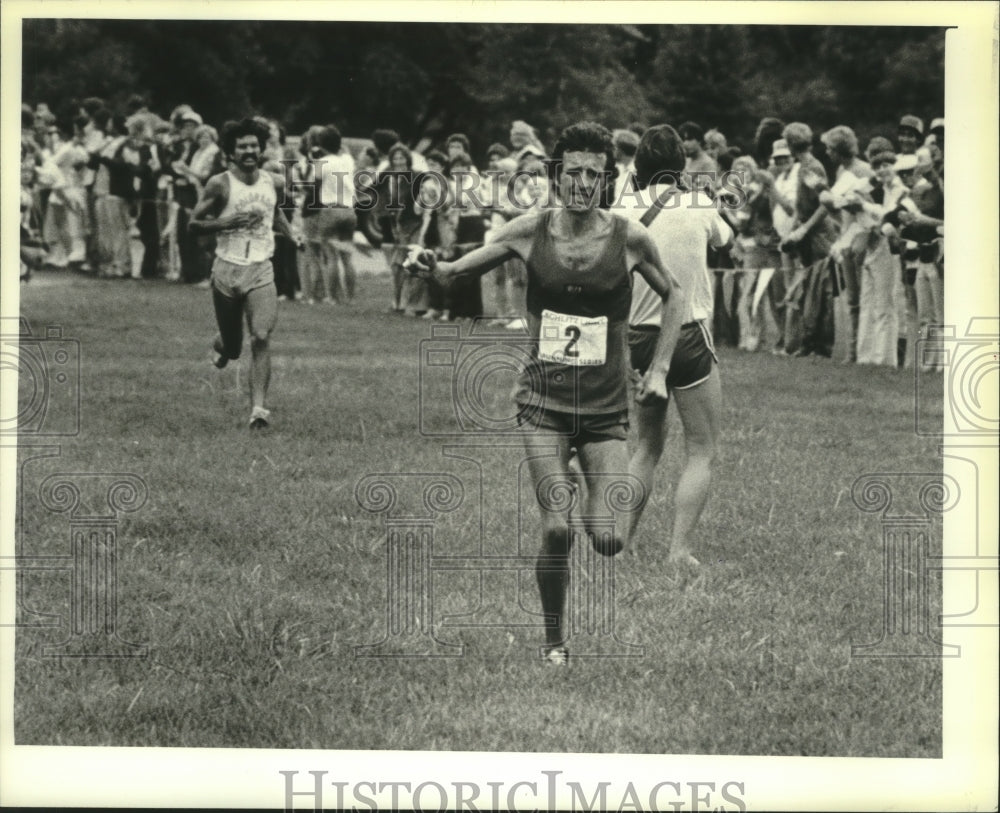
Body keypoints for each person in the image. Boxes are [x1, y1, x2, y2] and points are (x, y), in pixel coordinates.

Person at [408, 121, 683, 665]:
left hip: (605, 410)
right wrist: (429, 265)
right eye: (573, 172)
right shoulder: (528, 230)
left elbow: (674, 296)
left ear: (606, 178)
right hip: (543, 404)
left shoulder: (629, 237)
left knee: (608, 540)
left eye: (594, 173)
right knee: (556, 528)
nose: (582, 182)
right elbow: (453, 273)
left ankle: (584, 483)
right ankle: (555, 643)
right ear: (558, 175)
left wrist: (659, 370)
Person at [620, 124, 732, 566]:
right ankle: (678, 550)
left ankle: (622, 543)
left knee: (646, 446)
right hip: (687, 331)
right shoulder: (698, 202)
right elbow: (726, 239)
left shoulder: (622, 207)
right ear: (680, 166)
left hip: (639, 336)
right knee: (701, 448)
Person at [189, 117, 302, 430]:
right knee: (233, 346)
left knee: (261, 336)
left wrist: (291, 234)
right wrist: (228, 222)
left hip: (261, 269)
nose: (250, 151)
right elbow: (194, 224)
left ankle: (258, 411)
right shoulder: (220, 184)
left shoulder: (274, 181)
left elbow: (274, 212)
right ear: (231, 151)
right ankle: (223, 346)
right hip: (227, 268)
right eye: (243, 147)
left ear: (262, 149)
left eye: (254, 145)